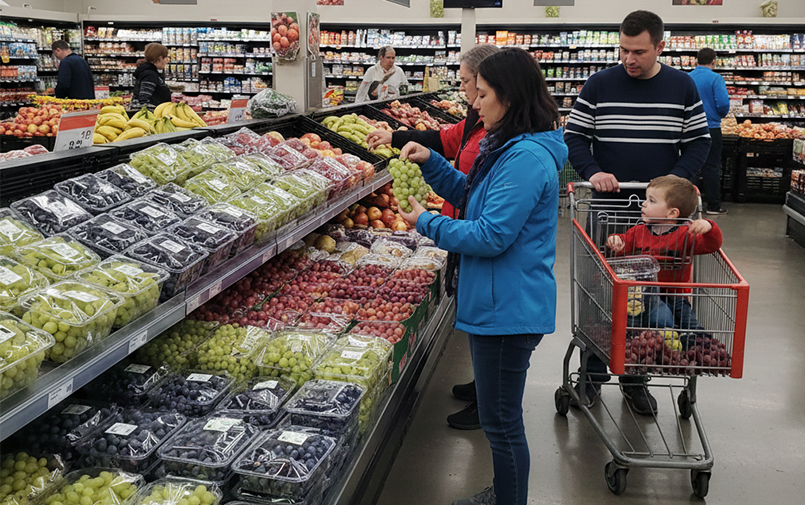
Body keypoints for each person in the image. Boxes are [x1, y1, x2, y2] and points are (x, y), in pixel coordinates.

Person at [398, 47, 567, 505]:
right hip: (500, 300)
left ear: (508, 98)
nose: (474, 103)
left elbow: (491, 235)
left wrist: (426, 223)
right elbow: (475, 200)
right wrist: (432, 163)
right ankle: (504, 493)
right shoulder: (510, 146)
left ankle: (508, 499)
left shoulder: (525, 159)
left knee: (501, 424)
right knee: (501, 420)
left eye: (483, 94)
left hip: (506, 309)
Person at [564, 10, 711, 416]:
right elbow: (574, 136)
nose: (629, 59)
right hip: (610, 210)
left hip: (662, 220)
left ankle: (635, 377)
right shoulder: (599, 84)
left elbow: (699, 142)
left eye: (639, 52)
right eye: (624, 50)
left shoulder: (682, 86)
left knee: (648, 299)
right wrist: (593, 172)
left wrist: (673, 181)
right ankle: (591, 376)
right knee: (600, 294)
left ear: (660, 47)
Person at [367, 44, 501, 432]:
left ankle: (486, 402)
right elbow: (444, 140)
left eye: (466, 82)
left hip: (469, 230)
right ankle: (481, 388)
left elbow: (490, 225)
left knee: (487, 324)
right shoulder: (477, 121)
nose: (463, 91)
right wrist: (396, 137)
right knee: (473, 315)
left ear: (489, 83)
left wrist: (428, 222)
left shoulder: (507, 143)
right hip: (460, 223)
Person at [606, 176, 723, 336]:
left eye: (652, 201)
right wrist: (616, 241)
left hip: (676, 293)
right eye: (646, 199)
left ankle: (697, 339)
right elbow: (624, 244)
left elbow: (711, 245)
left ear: (672, 213)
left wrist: (709, 227)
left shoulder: (686, 235)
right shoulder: (638, 231)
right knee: (653, 318)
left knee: (686, 318)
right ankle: (648, 336)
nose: (644, 203)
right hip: (643, 293)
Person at [690, 48, 731, 215]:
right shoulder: (716, 78)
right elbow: (723, 104)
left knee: (690, 165)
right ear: (714, 61)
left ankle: (688, 206)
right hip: (711, 127)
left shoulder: (687, 77)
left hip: (690, 128)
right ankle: (713, 206)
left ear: (696, 61)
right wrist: (718, 115)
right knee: (712, 166)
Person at [132, 43, 172, 108]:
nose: (167, 61)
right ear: (159, 58)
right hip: (150, 116)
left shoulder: (149, 72)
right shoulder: (150, 75)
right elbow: (143, 101)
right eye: (165, 57)